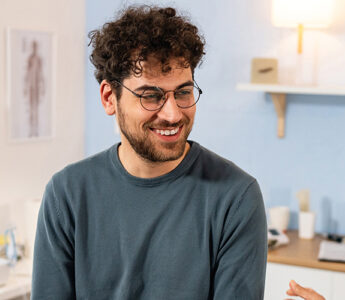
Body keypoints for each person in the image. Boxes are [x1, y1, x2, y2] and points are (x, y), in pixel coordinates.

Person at [31, 5, 267, 299]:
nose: (172, 114)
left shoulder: (236, 197)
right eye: (151, 96)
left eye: (183, 92)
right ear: (109, 98)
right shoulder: (66, 194)